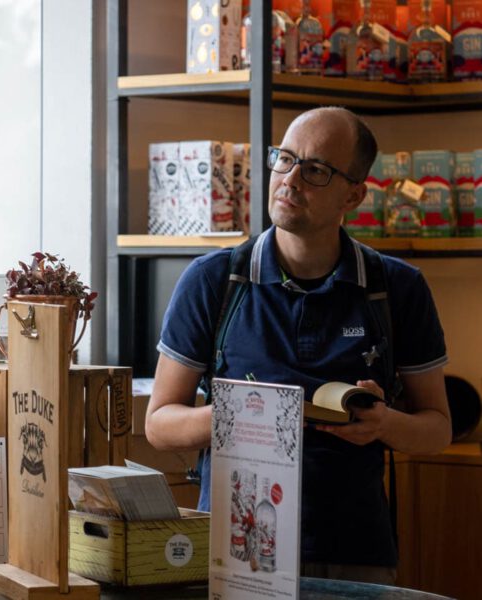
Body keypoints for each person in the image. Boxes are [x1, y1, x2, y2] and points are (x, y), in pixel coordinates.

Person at [146, 107, 452, 584]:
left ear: (354, 193)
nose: (289, 180)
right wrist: (244, 415)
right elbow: (160, 424)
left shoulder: (396, 288)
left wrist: (383, 424)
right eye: (284, 159)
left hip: (356, 553)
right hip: (235, 549)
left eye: (315, 170)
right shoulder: (213, 281)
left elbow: (437, 429)